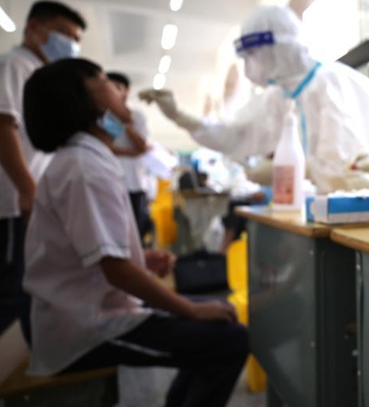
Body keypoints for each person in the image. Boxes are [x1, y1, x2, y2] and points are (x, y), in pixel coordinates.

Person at [22, 59, 248, 407]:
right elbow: (115, 269)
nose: (120, 91)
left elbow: (98, 256)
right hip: (83, 327)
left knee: (219, 320)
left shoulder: (87, 157)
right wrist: (187, 308)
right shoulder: (85, 166)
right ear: (88, 101)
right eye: (106, 82)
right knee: (228, 341)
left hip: (91, 307)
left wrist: (140, 258)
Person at [140, 5, 369, 194]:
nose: (250, 64)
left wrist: (294, 169)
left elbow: (345, 169)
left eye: (254, 53)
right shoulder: (279, 97)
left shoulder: (329, 83)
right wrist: (180, 116)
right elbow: (234, 134)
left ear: (280, 48)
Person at [0, 0, 85, 337]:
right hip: (12, 203)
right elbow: (3, 125)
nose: (71, 45)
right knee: (11, 289)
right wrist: (26, 187)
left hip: (30, 200)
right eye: (65, 34)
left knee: (26, 285)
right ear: (34, 27)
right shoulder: (15, 65)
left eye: (75, 38)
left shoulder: (40, 74)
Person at [107, 72, 153, 246]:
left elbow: (141, 147)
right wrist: (131, 152)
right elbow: (107, 148)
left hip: (133, 184)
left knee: (135, 235)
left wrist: (125, 123)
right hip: (111, 182)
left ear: (127, 91)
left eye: (118, 88)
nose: (114, 93)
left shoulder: (136, 117)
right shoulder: (103, 118)